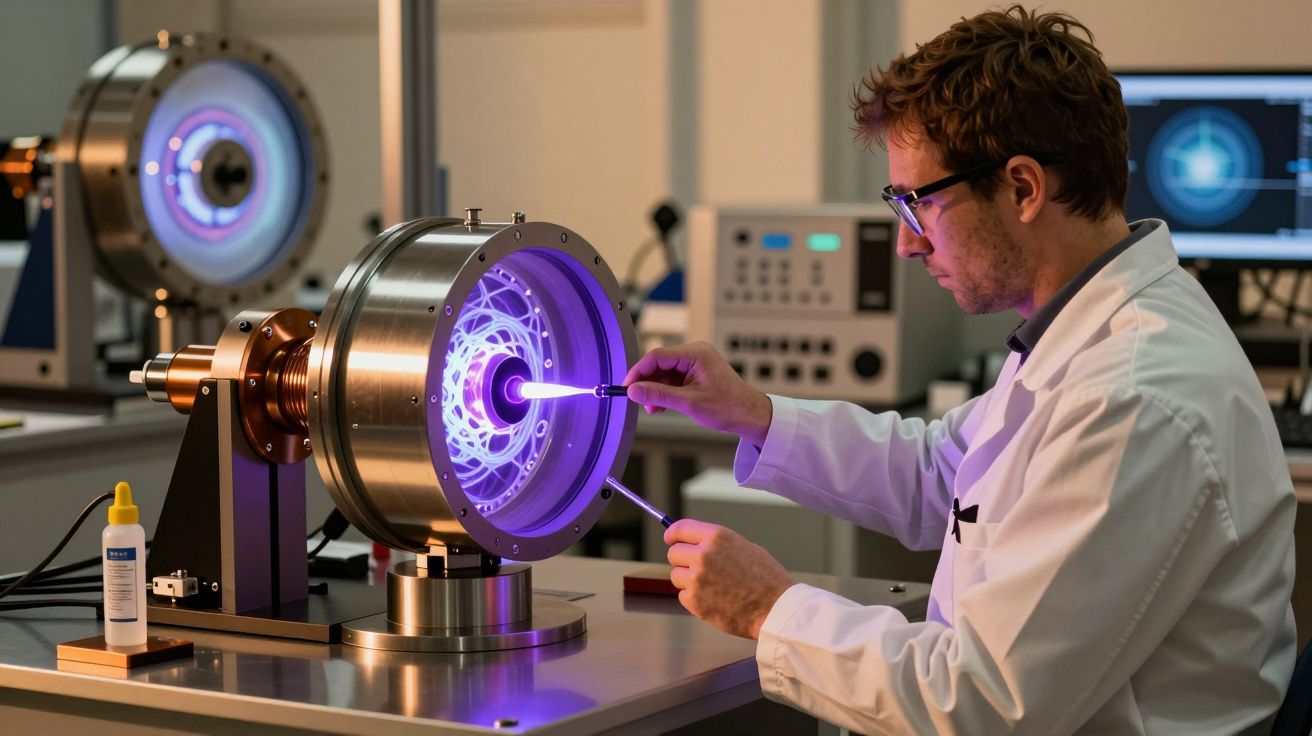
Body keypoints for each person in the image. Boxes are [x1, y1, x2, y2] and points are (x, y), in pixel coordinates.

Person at [622, 5, 1297, 734]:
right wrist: (750, 411)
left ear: (1023, 187)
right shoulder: (1082, 332)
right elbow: (940, 473)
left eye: (919, 204)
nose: (909, 246)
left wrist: (769, 608)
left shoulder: (1131, 395)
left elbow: (981, 703)